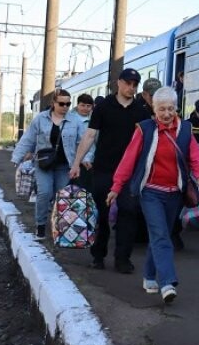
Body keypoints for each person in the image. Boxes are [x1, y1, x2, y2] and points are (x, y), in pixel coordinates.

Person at [106, 86, 199, 303]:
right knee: (161, 235)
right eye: (162, 109)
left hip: (174, 194)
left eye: (171, 108)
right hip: (150, 192)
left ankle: (149, 275)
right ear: (154, 109)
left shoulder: (185, 130)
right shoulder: (145, 129)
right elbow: (128, 159)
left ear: (176, 109)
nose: (167, 114)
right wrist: (116, 187)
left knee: (160, 235)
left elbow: (195, 156)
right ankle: (167, 282)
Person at [69, 68, 152, 273]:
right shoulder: (103, 107)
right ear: (119, 83)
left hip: (130, 173)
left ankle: (122, 259)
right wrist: (76, 163)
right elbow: (89, 136)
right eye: (128, 83)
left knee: (128, 212)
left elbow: (147, 142)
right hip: (104, 170)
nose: (131, 88)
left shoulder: (141, 111)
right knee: (102, 213)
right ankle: (98, 255)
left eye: (135, 85)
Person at [12, 89, 88, 240]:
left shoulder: (75, 121)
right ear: (53, 103)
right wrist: (17, 157)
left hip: (65, 165)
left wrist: (86, 159)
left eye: (68, 103)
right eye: (61, 103)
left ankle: (59, 227)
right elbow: (28, 138)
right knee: (44, 193)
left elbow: (83, 142)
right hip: (43, 164)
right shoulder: (40, 119)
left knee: (60, 196)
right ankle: (40, 225)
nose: (65, 107)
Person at [71, 93, 96, 191]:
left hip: (88, 161)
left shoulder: (94, 119)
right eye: (82, 105)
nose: (85, 108)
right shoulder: (69, 118)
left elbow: (93, 143)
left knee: (84, 189)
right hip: (71, 160)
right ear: (77, 105)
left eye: (88, 106)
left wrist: (88, 157)